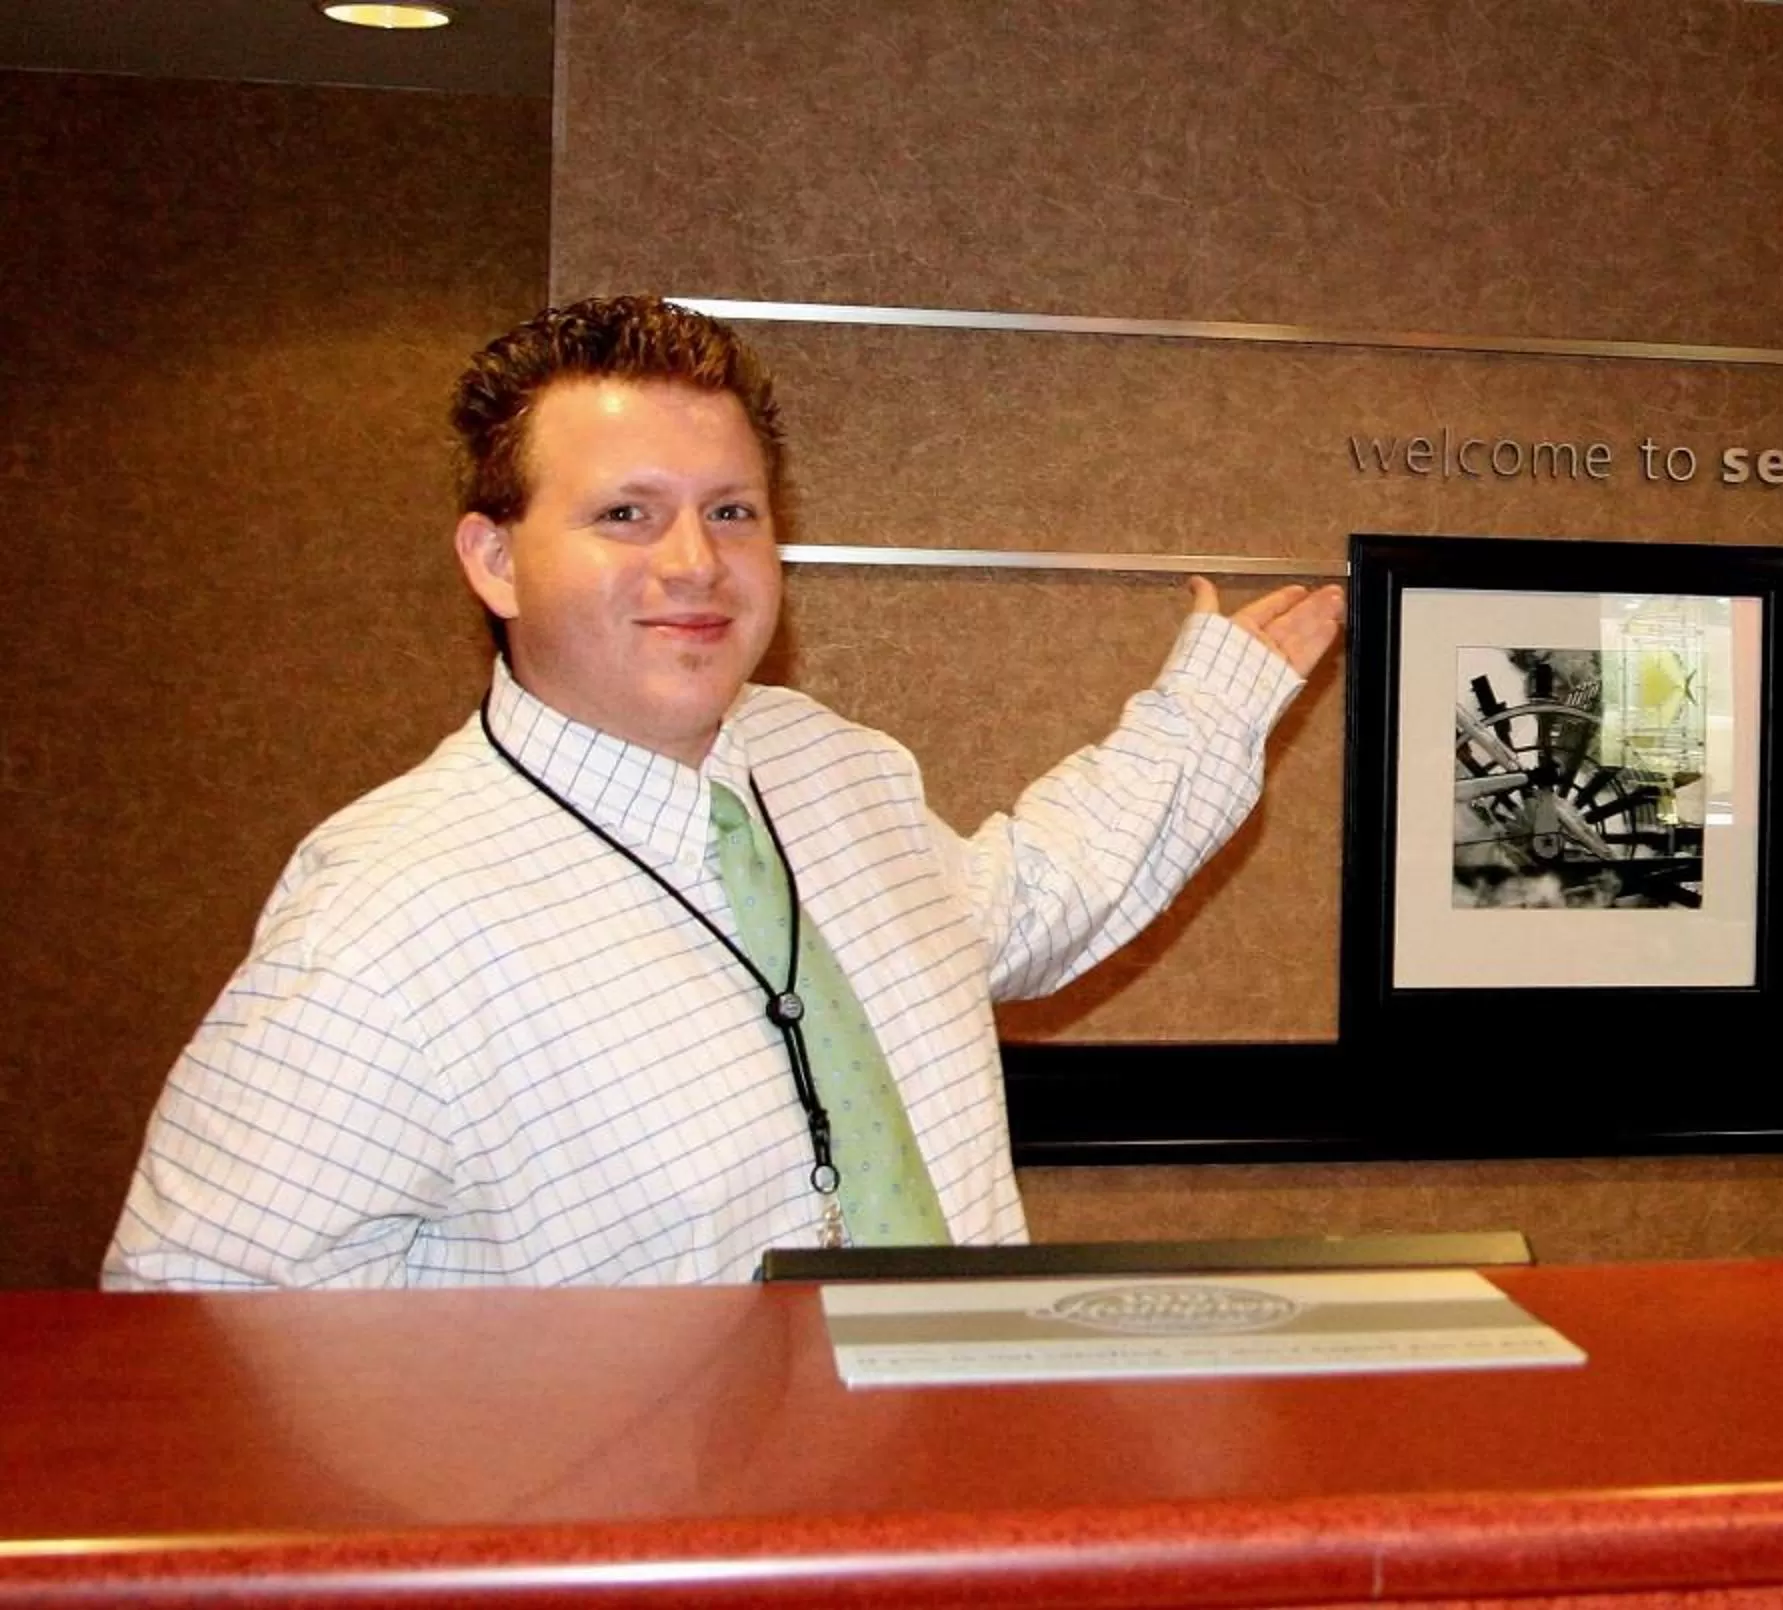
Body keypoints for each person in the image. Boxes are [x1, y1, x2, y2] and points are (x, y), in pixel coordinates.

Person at [103, 296, 1343, 1288]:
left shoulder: (827, 763)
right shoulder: (389, 913)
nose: (694, 563)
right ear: (494, 559)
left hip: (954, 1504)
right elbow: (197, 1324)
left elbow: (1020, 908)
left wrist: (1208, 712)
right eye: (627, 513)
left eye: (732, 511)